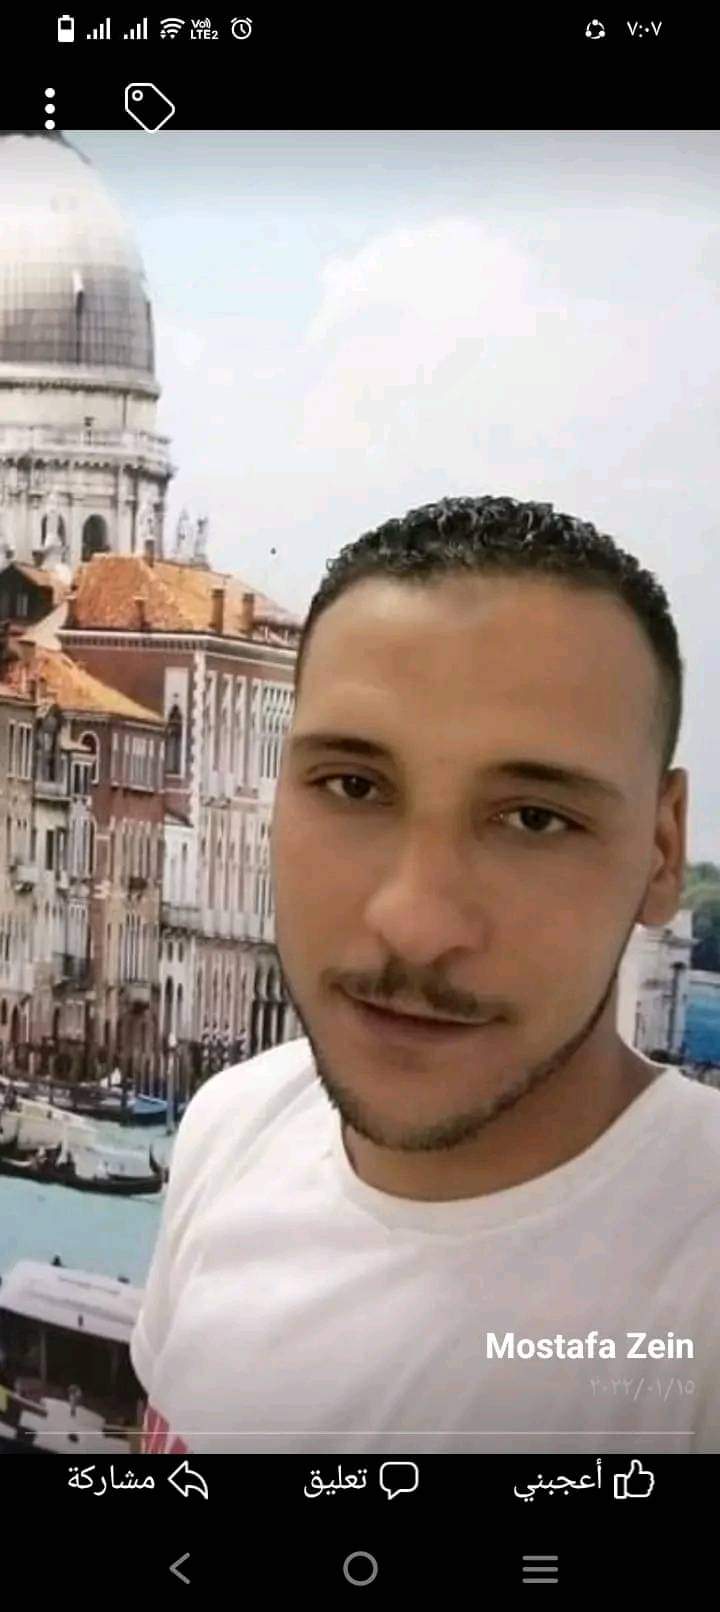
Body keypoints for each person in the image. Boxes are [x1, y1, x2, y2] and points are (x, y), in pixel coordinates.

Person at [129, 495, 720, 1456]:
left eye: (533, 818)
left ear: (661, 851)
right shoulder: (232, 1127)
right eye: (353, 787)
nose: (413, 923)